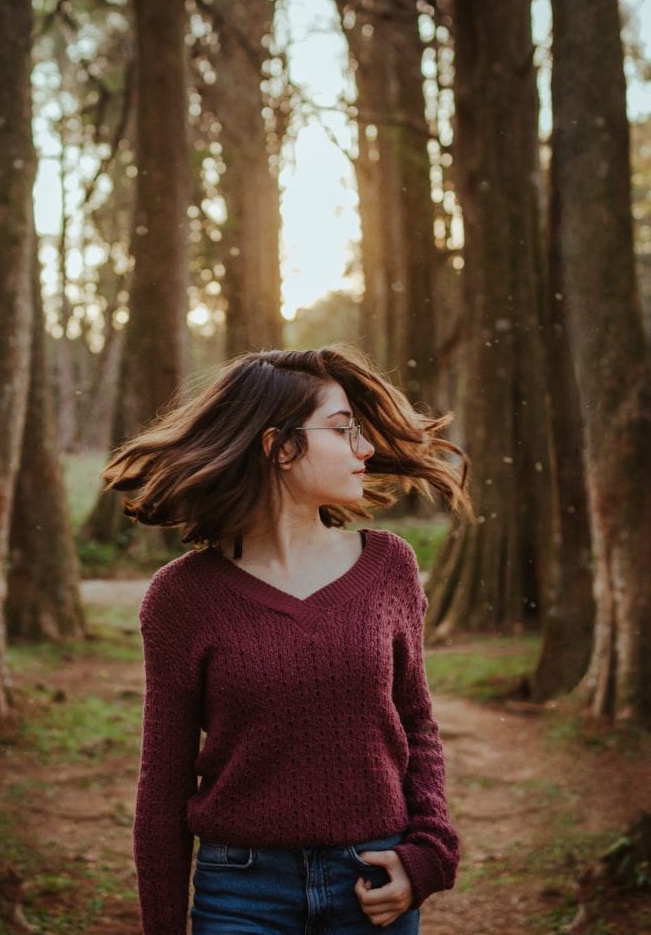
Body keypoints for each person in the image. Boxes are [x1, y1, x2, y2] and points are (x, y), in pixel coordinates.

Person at [102, 345, 471, 935]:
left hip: (372, 881)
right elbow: (164, 785)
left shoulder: (391, 566)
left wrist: (427, 854)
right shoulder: (181, 596)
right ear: (278, 446)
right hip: (240, 891)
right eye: (343, 429)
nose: (366, 448)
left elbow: (416, 724)